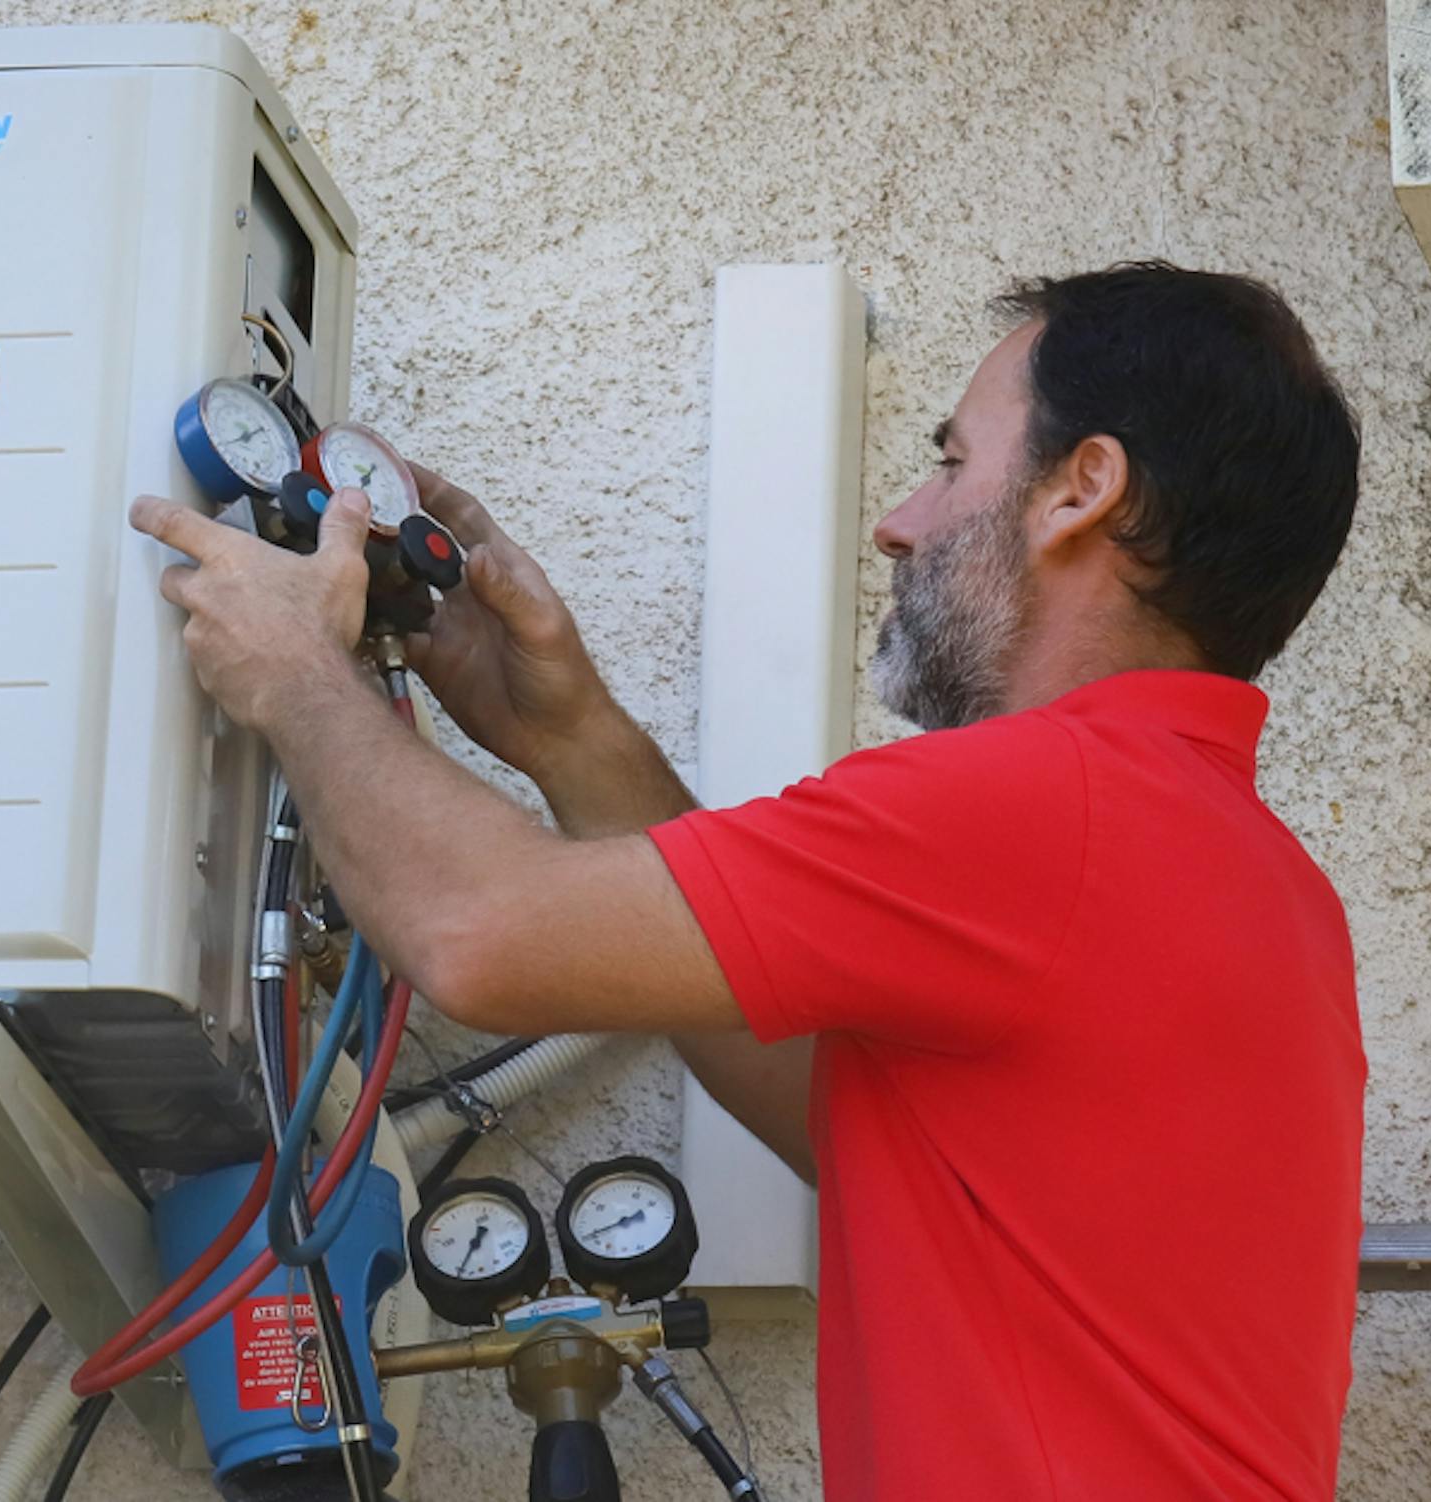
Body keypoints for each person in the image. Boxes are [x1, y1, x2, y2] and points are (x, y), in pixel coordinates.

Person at [126, 262, 1368, 1500]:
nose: (901, 519)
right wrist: (569, 736)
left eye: (950, 462)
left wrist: (296, 673)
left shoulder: (1045, 804)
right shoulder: (1249, 874)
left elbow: (473, 934)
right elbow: (832, 1105)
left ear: (1080, 491)